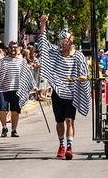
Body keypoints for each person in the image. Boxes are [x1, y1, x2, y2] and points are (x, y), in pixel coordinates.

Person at [38, 15, 90, 160]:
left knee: (70, 120)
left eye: (65, 41)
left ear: (71, 41)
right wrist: (43, 24)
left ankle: (69, 147)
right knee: (59, 121)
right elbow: (43, 44)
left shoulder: (78, 56)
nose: (62, 44)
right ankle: (61, 145)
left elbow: (85, 72)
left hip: (72, 93)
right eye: (61, 41)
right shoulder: (56, 54)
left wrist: (84, 77)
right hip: (58, 93)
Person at [0, 41, 34, 138]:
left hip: (17, 89)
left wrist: (31, 84)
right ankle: (4, 127)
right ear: (8, 49)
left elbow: (27, 74)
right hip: (3, 89)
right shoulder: (3, 60)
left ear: (18, 49)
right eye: (11, 47)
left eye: (15, 47)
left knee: (15, 111)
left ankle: (14, 130)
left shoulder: (22, 61)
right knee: (1, 108)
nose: (13, 49)